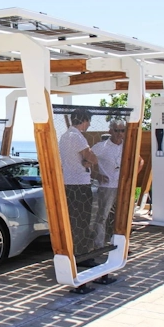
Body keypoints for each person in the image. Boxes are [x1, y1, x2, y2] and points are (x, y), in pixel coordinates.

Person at [91, 120, 144, 247]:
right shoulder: (101, 146)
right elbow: (86, 159)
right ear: (110, 131)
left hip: (123, 187)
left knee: (123, 216)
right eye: (116, 130)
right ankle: (99, 245)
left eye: (122, 130)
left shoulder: (127, 146)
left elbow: (140, 161)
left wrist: (132, 176)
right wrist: (96, 175)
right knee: (102, 216)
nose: (119, 133)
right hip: (107, 187)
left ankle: (121, 244)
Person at [58, 109, 99, 260]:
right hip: (80, 184)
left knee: (72, 220)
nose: (89, 125)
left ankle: (72, 252)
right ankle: (82, 254)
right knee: (83, 220)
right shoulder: (77, 136)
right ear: (84, 120)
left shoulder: (64, 136)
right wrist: (90, 160)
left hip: (67, 182)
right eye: (89, 121)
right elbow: (92, 157)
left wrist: (86, 160)